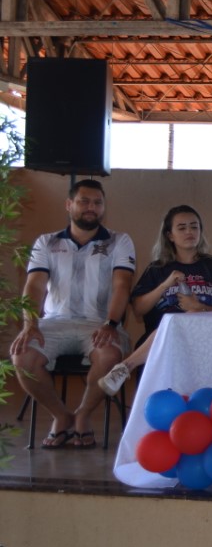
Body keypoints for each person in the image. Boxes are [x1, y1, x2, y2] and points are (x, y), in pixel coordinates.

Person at [9, 179, 135, 449]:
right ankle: (61, 416)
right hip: (54, 324)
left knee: (109, 355)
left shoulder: (119, 241)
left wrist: (111, 323)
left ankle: (83, 416)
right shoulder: (47, 242)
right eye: (84, 201)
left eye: (98, 202)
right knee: (22, 356)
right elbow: (34, 286)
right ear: (69, 205)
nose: (91, 207)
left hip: (99, 324)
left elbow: (122, 286)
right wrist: (30, 324)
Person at [98, 205, 212, 396]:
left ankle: (126, 366)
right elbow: (138, 310)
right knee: (172, 322)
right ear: (170, 235)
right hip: (159, 341)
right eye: (182, 228)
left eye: (194, 227)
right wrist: (164, 285)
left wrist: (201, 308)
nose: (189, 232)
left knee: (190, 315)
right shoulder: (157, 269)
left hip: (207, 339)